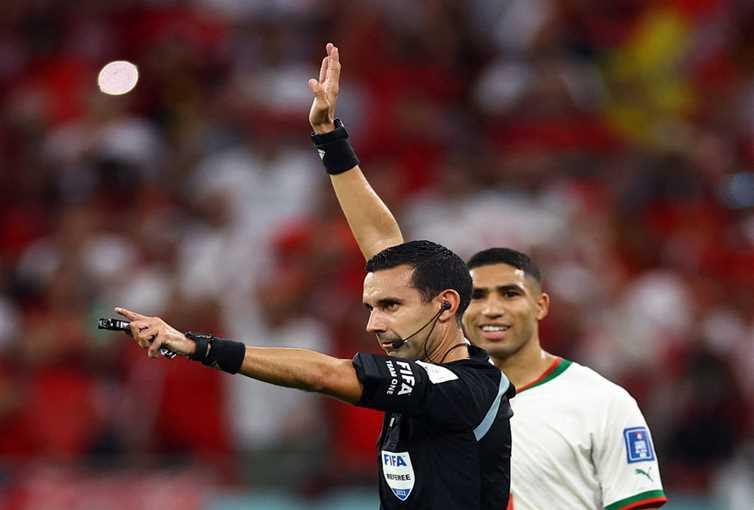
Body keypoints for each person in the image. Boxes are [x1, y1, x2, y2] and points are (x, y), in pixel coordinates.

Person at [308, 42, 667, 509]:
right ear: (451, 306)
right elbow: (382, 244)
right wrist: (330, 140)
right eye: (480, 295)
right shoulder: (432, 385)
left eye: (510, 293)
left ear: (542, 305)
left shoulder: (601, 402)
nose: (492, 308)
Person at [116, 239, 514, 509]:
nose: (373, 324)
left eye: (390, 306)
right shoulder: (426, 372)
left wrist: (198, 346)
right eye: (371, 308)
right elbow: (382, 238)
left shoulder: (464, 388)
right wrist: (333, 149)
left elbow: (324, 374)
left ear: (445, 306)